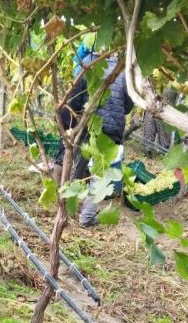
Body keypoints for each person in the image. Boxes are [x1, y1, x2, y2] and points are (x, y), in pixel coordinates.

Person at [53, 53, 134, 226]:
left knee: (77, 168)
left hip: (88, 125)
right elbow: (128, 106)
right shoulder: (126, 70)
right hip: (112, 130)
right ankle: (87, 217)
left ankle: (64, 209)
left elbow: (75, 98)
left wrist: (69, 121)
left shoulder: (89, 63)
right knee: (98, 175)